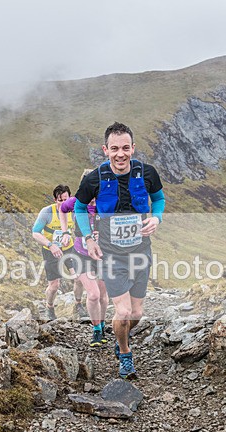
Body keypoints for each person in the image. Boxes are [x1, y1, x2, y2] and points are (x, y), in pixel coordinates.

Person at [74, 122, 166, 379]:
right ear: (105, 150)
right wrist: (89, 239)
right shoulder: (94, 178)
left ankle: (119, 336)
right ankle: (125, 355)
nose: (120, 154)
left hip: (140, 252)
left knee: (136, 314)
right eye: (114, 148)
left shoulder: (147, 173)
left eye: (125, 148)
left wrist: (157, 218)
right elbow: (80, 208)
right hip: (111, 255)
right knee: (122, 312)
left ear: (133, 148)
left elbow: (158, 199)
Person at [59, 172, 110, 347]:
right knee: (94, 294)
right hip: (81, 253)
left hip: (104, 255)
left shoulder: (106, 202)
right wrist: (65, 231)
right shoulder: (74, 202)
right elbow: (62, 209)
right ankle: (96, 330)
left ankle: (102, 325)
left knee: (103, 296)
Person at [31, 184, 84, 321]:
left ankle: (78, 304)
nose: (63, 203)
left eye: (66, 199)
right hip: (51, 251)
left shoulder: (74, 211)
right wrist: (51, 245)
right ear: (55, 200)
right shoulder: (47, 212)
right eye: (60, 200)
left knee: (79, 278)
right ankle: (49, 307)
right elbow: (35, 233)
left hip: (70, 249)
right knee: (55, 285)